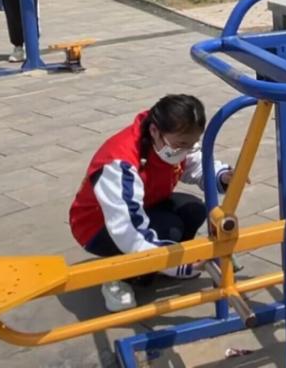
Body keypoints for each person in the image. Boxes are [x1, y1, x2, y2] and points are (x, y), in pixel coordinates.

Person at [69, 94, 234, 312]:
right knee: (170, 228)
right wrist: (179, 264)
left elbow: (194, 164)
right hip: (97, 226)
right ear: (155, 131)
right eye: (182, 145)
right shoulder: (119, 162)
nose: (186, 150)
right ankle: (118, 276)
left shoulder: (170, 141)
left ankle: (159, 263)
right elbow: (128, 230)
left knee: (193, 210)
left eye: (191, 144)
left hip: (143, 204)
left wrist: (222, 176)